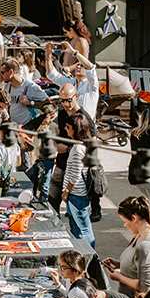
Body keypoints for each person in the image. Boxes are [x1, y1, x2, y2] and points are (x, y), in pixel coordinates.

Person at [48, 82, 95, 216]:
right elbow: (60, 133)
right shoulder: (62, 113)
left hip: (76, 167)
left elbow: (92, 146)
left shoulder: (84, 117)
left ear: (76, 96)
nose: (66, 104)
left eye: (69, 100)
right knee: (53, 199)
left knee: (75, 208)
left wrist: (68, 149)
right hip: (62, 162)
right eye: (62, 101)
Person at [106, 195, 150, 297]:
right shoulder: (139, 236)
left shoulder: (146, 248)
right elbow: (138, 265)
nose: (125, 225)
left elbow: (145, 287)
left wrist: (119, 277)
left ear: (134, 218)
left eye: (125, 222)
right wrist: (119, 264)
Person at [61, 112, 95, 249]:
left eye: (68, 127)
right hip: (77, 195)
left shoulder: (78, 148)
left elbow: (75, 175)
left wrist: (66, 191)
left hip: (76, 195)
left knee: (83, 230)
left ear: (76, 129)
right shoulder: (82, 145)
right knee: (78, 229)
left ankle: (89, 256)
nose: (65, 129)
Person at [45, 40, 97, 121]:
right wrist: (48, 57)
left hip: (86, 125)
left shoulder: (92, 84)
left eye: (82, 66)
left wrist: (74, 52)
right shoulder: (71, 83)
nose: (78, 67)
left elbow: (90, 68)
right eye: (78, 65)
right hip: (71, 125)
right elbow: (52, 75)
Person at [2, 57, 49, 128]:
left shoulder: (31, 86)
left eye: (2, 73)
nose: (1, 75)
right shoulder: (7, 86)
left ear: (11, 72)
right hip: (13, 128)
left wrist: (31, 102)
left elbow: (48, 104)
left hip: (27, 128)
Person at [25, 103, 57, 202]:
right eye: (40, 115)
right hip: (38, 158)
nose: (41, 119)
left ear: (51, 117)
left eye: (44, 117)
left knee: (45, 183)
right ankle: (34, 198)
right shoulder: (37, 124)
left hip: (49, 159)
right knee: (33, 180)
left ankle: (45, 202)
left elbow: (56, 142)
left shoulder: (54, 127)